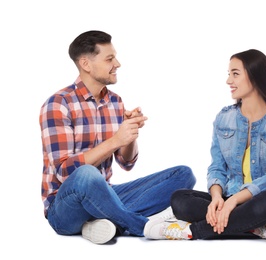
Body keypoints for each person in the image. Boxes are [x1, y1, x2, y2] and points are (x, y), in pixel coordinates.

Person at [39, 30, 196, 244]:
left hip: (105, 195)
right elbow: (64, 171)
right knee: (87, 174)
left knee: (183, 175)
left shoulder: (115, 102)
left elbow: (127, 163)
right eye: (110, 59)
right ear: (86, 64)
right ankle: (143, 226)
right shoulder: (58, 104)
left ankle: (105, 223)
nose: (118, 64)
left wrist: (130, 134)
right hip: (64, 207)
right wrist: (115, 141)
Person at [144, 49, 266, 244]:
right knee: (179, 199)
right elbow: (217, 167)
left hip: (261, 200)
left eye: (235, 74)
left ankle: (191, 231)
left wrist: (233, 202)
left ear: (255, 75)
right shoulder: (224, 118)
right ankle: (258, 229)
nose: (228, 81)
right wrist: (217, 197)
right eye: (229, 74)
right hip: (228, 197)